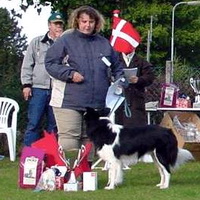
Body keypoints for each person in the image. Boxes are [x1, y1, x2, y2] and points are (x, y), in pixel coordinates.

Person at [45, 6, 125, 152]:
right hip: (68, 101)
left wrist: (120, 83)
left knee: (89, 141)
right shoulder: (66, 40)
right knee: (69, 140)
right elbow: (50, 63)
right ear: (77, 21)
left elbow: (117, 67)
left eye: (91, 21)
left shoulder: (104, 43)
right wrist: (70, 74)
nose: (87, 25)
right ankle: (69, 174)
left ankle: (86, 175)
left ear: (97, 23)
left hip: (96, 103)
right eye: (84, 21)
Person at [21, 12, 64, 146]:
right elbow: (27, 64)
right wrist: (26, 85)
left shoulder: (66, 44)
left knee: (54, 126)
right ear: (49, 25)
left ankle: (51, 159)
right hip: (38, 88)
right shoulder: (37, 42)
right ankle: (29, 157)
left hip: (57, 89)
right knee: (34, 123)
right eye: (56, 24)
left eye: (60, 24)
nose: (58, 27)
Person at [115, 50, 155, 128]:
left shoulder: (141, 61)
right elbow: (108, 74)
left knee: (137, 129)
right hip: (118, 100)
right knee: (120, 128)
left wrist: (139, 80)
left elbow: (150, 77)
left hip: (136, 100)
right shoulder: (115, 60)